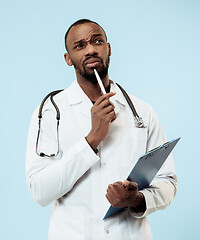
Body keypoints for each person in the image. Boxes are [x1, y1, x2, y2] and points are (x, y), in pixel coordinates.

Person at [25, 19, 177, 239]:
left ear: (109, 49)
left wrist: (136, 200)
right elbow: (40, 192)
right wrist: (92, 140)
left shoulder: (142, 112)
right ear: (68, 59)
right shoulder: (51, 113)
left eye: (97, 41)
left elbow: (168, 182)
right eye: (80, 46)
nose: (91, 50)